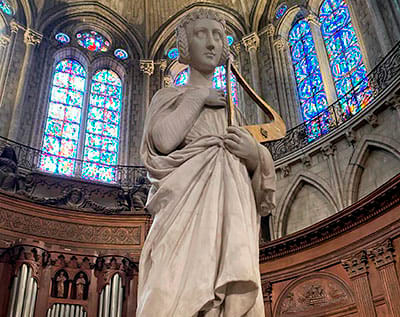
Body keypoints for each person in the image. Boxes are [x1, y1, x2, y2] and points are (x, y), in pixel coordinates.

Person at [137, 8, 276, 316]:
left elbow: (251, 166)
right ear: (185, 43)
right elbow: (162, 141)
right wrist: (197, 97)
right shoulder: (169, 96)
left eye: (218, 35)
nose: (212, 43)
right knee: (166, 286)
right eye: (202, 34)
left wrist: (254, 155)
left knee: (224, 282)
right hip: (182, 207)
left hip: (230, 208)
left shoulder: (230, 111)